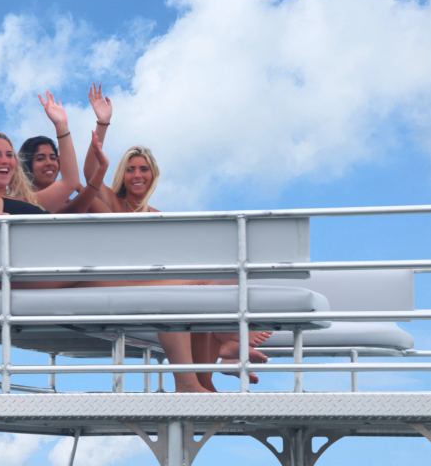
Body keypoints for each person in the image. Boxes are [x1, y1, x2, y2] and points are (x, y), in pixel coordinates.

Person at [83, 144, 271, 392]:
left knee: (208, 285)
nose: (137, 175)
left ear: (153, 175)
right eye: (130, 170)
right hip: (122, 282)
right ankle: (225, 339)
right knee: (190, 290)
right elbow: (89, 175)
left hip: (150, 280)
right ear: (123, 175)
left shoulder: (159, 216)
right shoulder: (115, 203)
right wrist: (102, 125)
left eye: (143, 169)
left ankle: (205, 379)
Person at [18, 83, 112, 214]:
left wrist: (77, 185)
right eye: (40, 158)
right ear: (27, 165)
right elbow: (73, 210)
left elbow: (108, 217)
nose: (49, 163)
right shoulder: (21, 201)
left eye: (53, 158)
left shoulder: (69, 200)